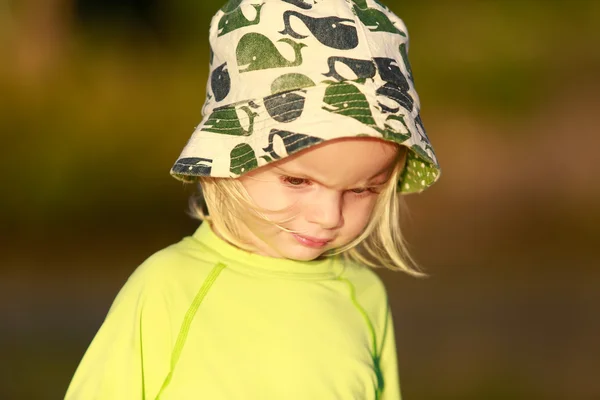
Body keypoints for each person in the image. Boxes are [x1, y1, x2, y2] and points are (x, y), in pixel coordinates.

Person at [65, 0, 440, 398]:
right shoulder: (168, 288)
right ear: (230, 160)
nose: (329, 216)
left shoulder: (364, 297)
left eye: (362, 189)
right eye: (297, 181)